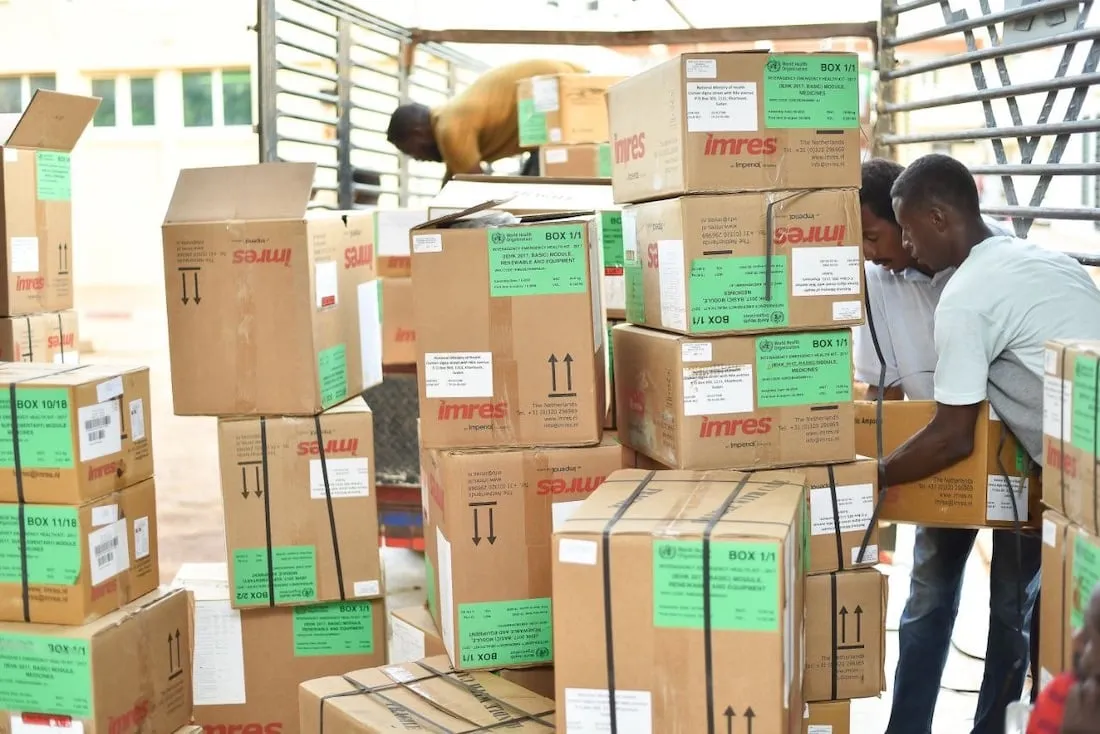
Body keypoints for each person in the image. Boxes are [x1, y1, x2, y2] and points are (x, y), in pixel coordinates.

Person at [881, 153, 1100, 734]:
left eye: (906, 228)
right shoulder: (1045, 261)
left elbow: (953, 435)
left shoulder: (966, 297)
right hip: (1077, 479)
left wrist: (873, 478)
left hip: (1085, 487)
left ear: (937, 217)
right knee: (1037, 622)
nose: (906, 243)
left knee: (1051, 630)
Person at [385, 59, 586, 183]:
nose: (418, 159)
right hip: (569, 83)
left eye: (411, 151)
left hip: (562, 91)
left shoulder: (449, 130)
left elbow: (477, 189)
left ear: (418, 132)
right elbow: (452, 185)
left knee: (538, 196)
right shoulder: (448, 120)